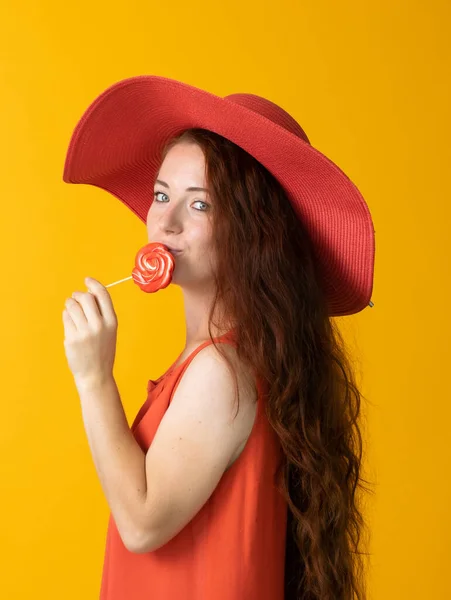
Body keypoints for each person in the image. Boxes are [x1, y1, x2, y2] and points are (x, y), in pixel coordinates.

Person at [62, 75, 375, 600]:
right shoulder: (223, 359)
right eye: (161, 195)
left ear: (256, 230)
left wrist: (94, 379)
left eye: (200, 204)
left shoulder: (220, 370)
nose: (166, 221)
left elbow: (142, 523)